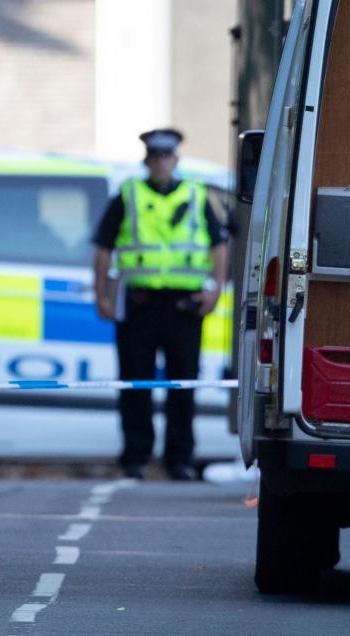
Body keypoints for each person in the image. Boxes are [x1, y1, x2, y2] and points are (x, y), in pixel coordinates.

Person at [92, 128, 229, 481]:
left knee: (183, 385)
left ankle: (179, 459)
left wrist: (214, 291)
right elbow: (104, 246)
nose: (162, 162)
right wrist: (101, 294)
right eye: (156, 157)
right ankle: (136, 457)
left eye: (167, 156)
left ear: (176, 159)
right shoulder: (130, 194)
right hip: (140, 304)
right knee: (135, 383)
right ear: (147, 160)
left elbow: (219, 246)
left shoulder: (197, 194)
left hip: (185, 306)